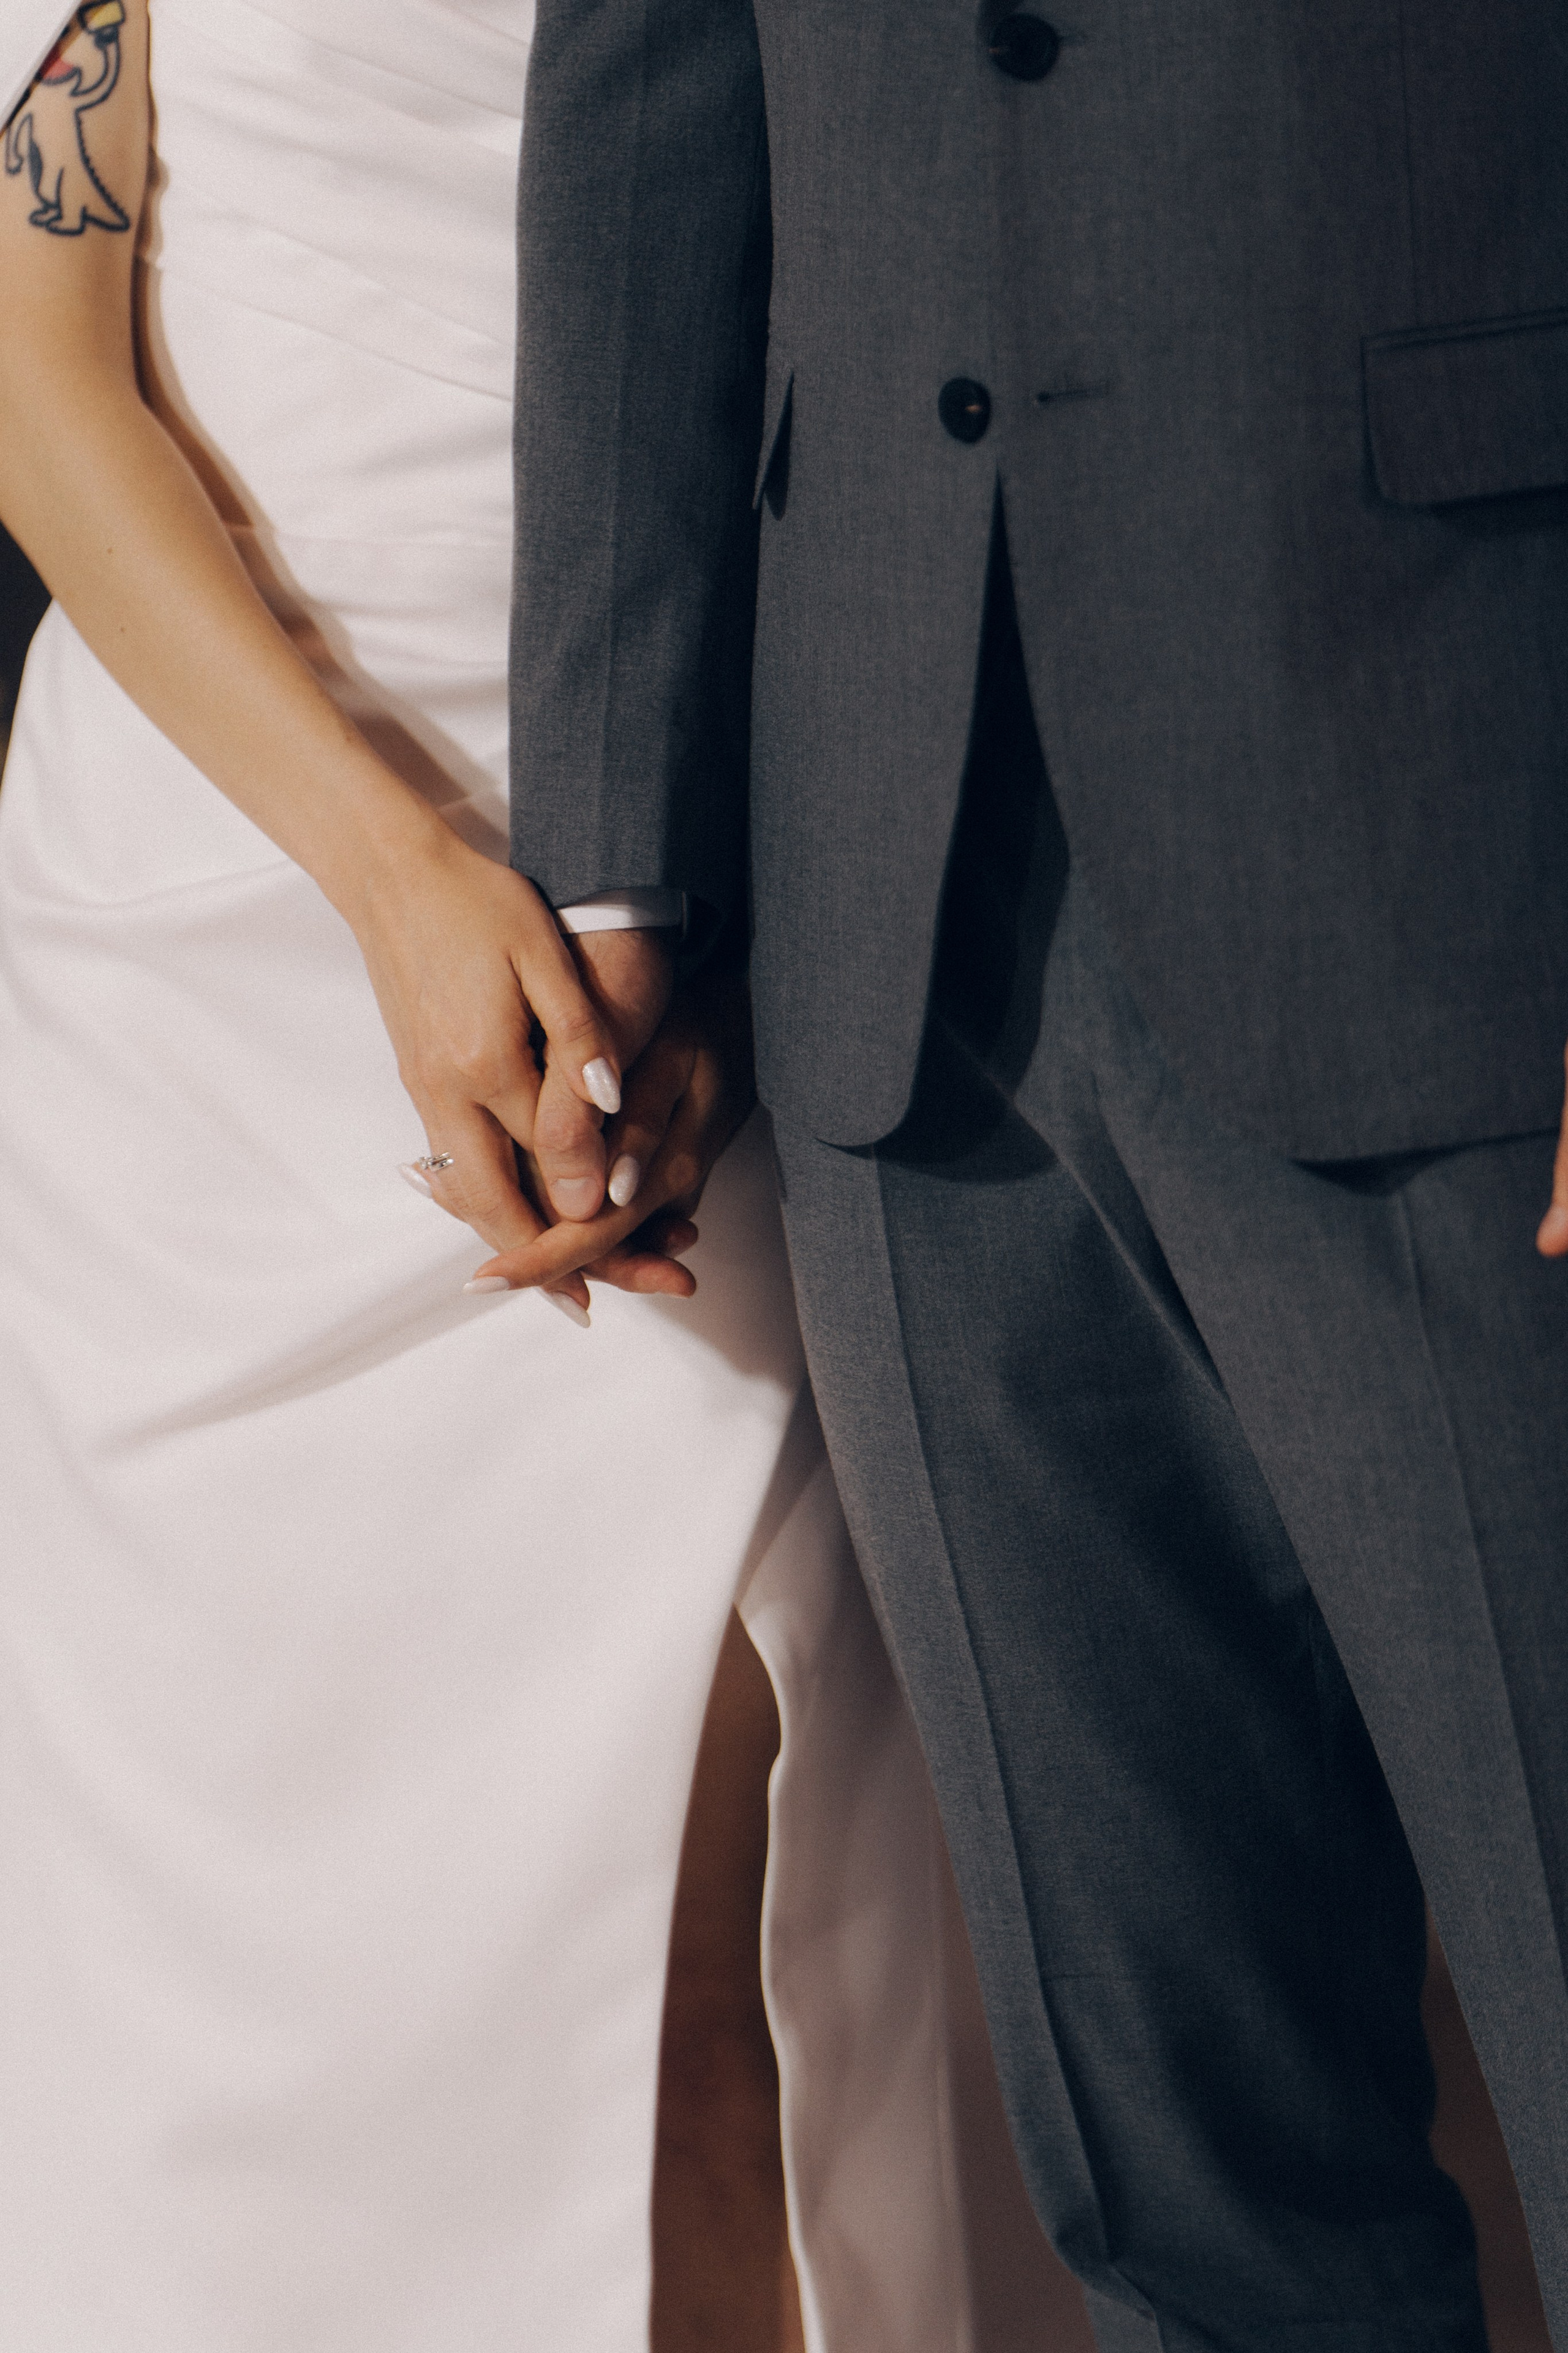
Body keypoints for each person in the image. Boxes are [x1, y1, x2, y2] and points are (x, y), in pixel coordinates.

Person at [505, 6, 1568, 2349]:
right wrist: (618, 847)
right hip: (900, 864)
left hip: (1481, 809)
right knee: (1191, 2206)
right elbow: (650, 72)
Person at [0, 6, 1054, 2345]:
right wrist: (395, 878)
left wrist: (696, 895)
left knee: (721, 1960)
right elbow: (33, 364)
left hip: (716, 878)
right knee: (218, 1992)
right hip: (225, 924)